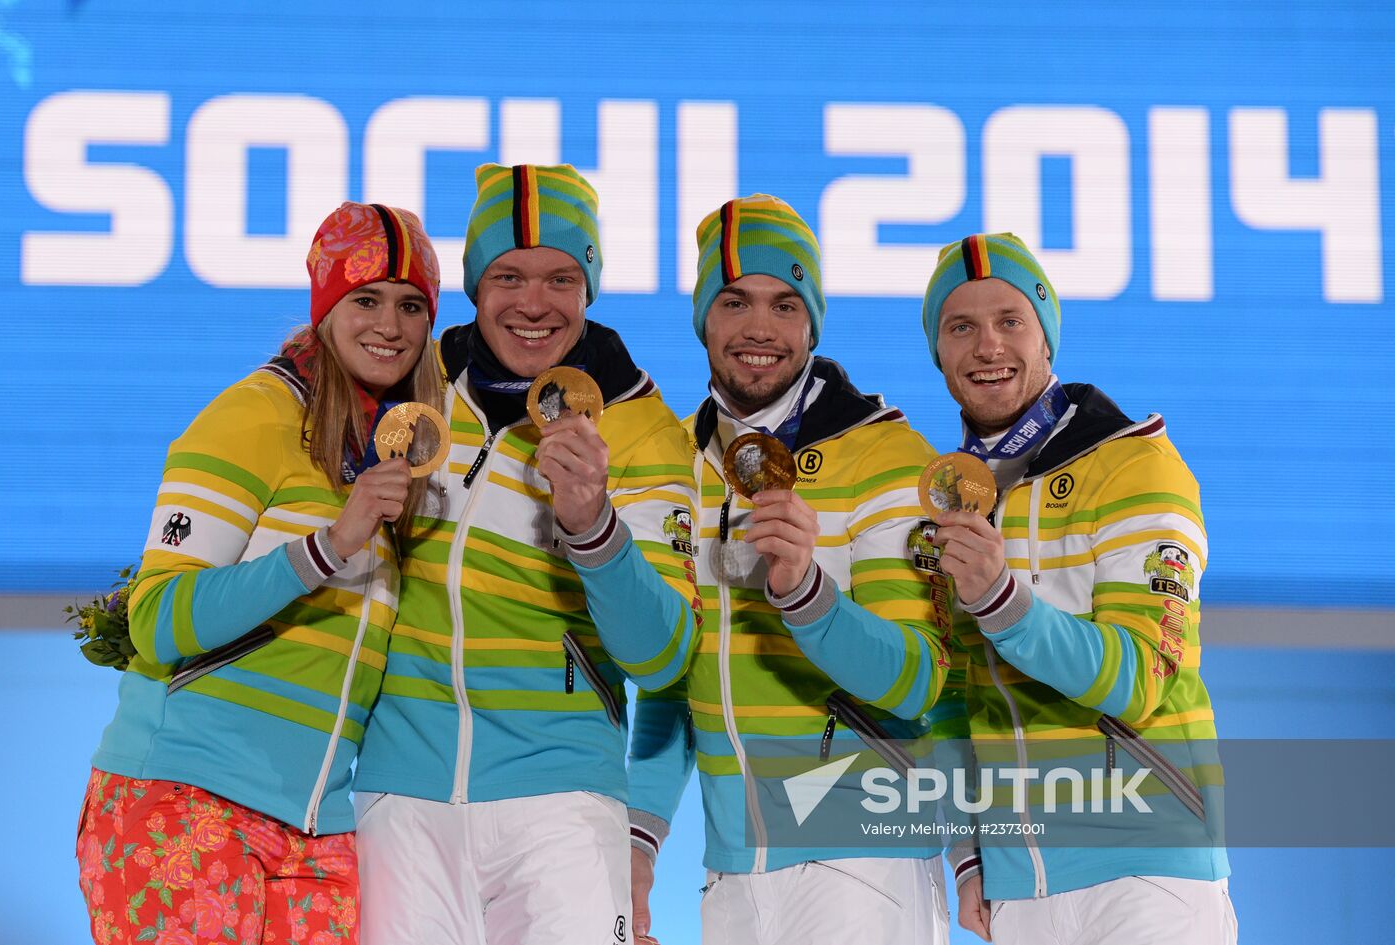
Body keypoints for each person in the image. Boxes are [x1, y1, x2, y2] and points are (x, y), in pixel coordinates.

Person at [76, 202, 444, 944]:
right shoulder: (253, 417)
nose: (390, 325)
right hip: (185, 796)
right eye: (365, 299)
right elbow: (159, 618)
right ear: (325, 305)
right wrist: (325, 547)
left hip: (316, 826)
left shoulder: (388, 448)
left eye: (411, 306)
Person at [351, 163, 700, 945]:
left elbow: (666, 655)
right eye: (508, 274)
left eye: (561, 278)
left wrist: (593, 527)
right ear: (475, 284)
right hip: (399, 794)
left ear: (590, 288)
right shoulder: (413, 387)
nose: (534, 302)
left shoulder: (645, 431)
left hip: (562, 802)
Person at [626, 194, 954, 945]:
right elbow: (674, 673)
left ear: (812, 321)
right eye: (734, 300)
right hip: (733, 868)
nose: (759, 329)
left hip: (863, 860)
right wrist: (640, 839)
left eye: (784, 302)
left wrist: (808, 595)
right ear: (704, 317)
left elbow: (918, 679)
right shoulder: (673, 461)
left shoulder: (887, 457)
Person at [921, 233, 1235, 945]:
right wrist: (968, 855)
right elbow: (951, 700)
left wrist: (1001, 599)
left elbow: (1138, 678)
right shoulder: (950, 500)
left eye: (1010, 321)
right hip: (1019, 884)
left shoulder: (1134, 465)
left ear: (1046, 335)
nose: (986, 346)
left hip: (1148, 869)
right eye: (960, 326)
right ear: (938, 351)